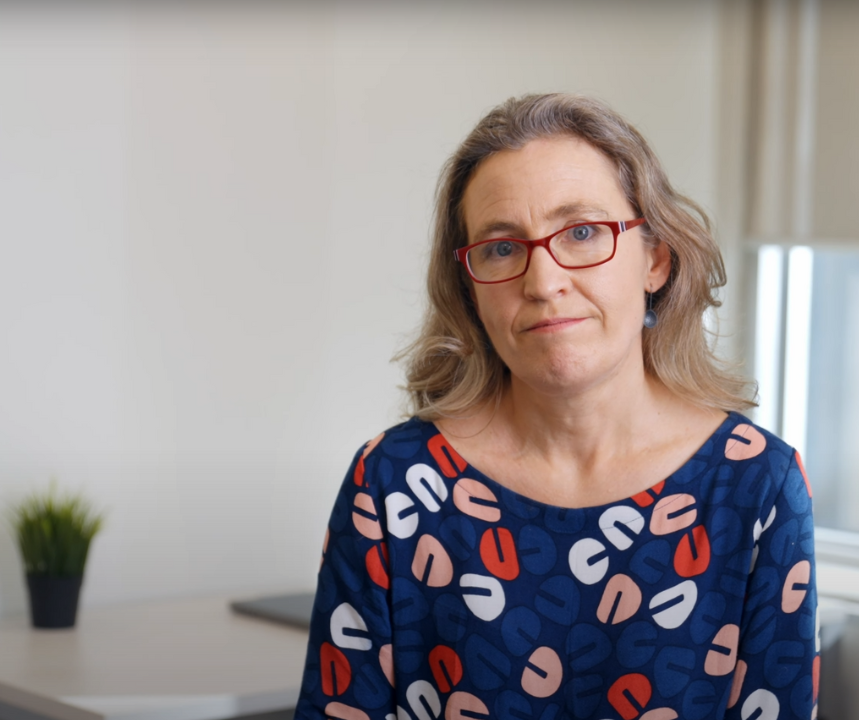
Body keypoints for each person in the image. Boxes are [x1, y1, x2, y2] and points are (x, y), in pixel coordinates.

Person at [295, 94, 817, 720]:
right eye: (501, 248)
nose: (543, 282)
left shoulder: (757, 486)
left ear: (655, 258)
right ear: (470, 289)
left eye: (582, 233)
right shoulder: (392, 484)